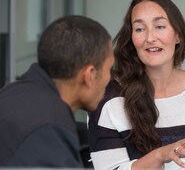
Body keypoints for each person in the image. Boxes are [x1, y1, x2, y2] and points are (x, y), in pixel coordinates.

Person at [88, 0, 185, 170]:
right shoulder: (108, 96)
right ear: (131, 39)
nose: (150, 38)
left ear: (178, 36)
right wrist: (160, 156)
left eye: (159, 26)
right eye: (140, 29)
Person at [0, 15, 115, 167]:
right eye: (109, 69)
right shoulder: (48, 131)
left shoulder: (14, 93)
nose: (110, 78)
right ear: (90, 75)